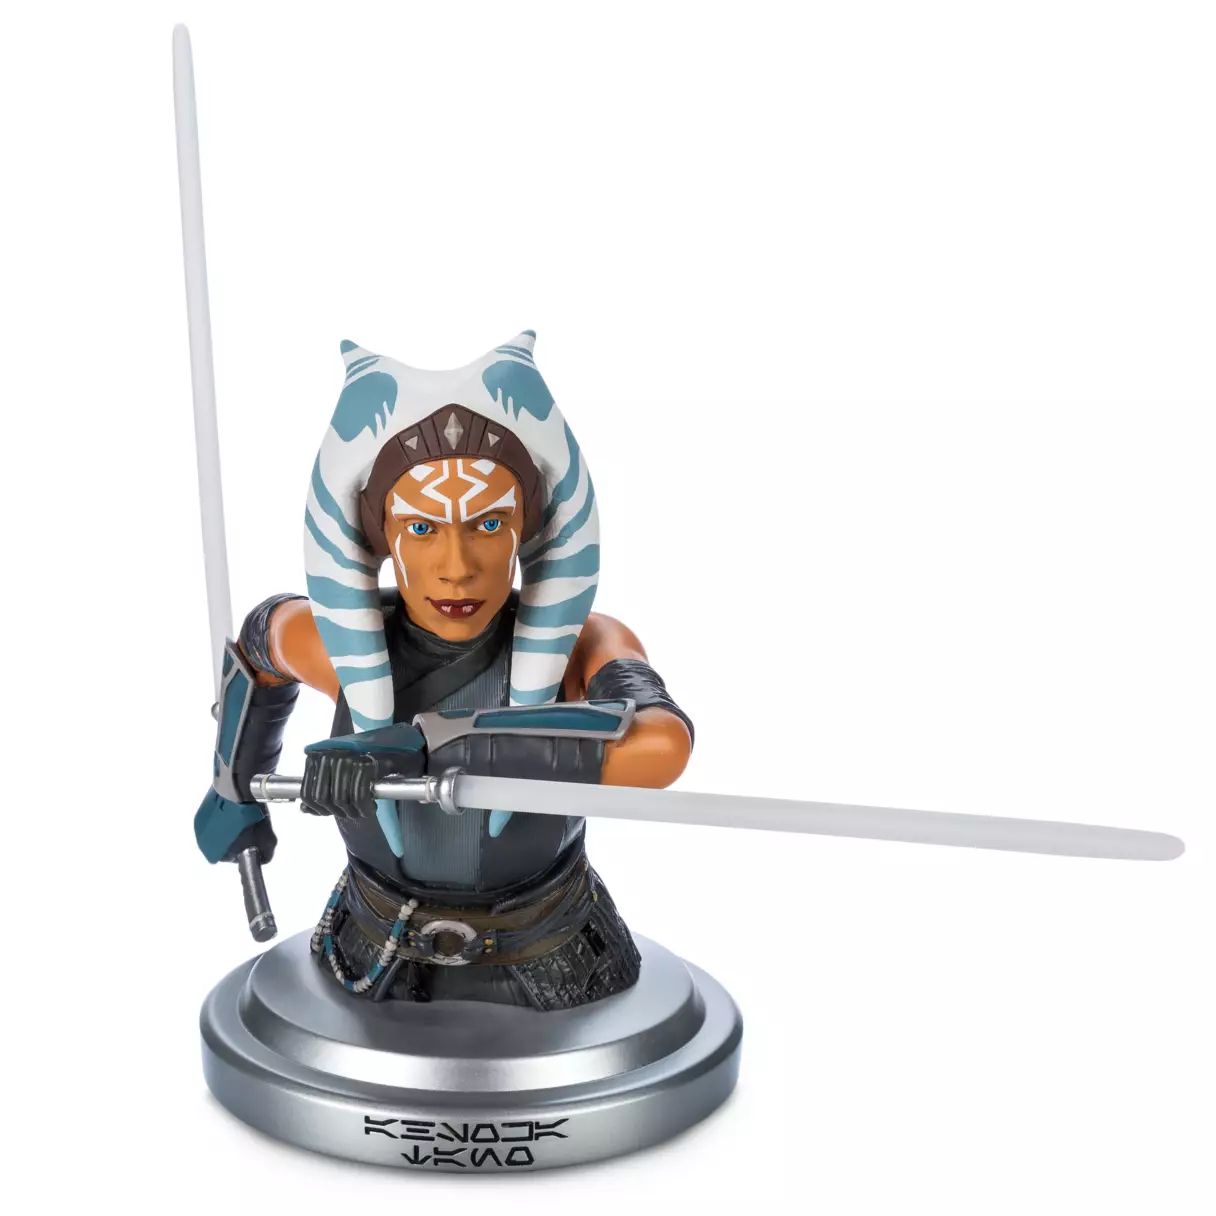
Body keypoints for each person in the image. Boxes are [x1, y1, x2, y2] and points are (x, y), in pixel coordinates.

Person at [195, 332, 693, 1010]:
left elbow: (662, 746)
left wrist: (429, 746)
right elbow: (262, 638)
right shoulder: (335, 644)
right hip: (370, 953)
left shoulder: (588, 642)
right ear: (380, 534)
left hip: (558, 960)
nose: (456, 568)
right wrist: (235, 782)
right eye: (423, 529)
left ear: (527, 527)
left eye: (487, 526)